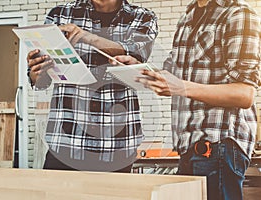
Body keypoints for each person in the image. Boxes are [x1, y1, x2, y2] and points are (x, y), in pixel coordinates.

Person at [112, 0, 261, 199]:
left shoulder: (238, 13)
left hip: (219, 146)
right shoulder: (188, 17)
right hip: (188, 148)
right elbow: (174, 73)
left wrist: (181, 87)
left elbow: (244, 94)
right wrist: (139, 67)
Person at [26, 0, 158, 172]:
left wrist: (87, 37)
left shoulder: (142, 17)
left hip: (117, 148)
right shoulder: (59, 15)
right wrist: (36, 72)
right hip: (65, 144)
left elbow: (135, 53)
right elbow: (43, 81)